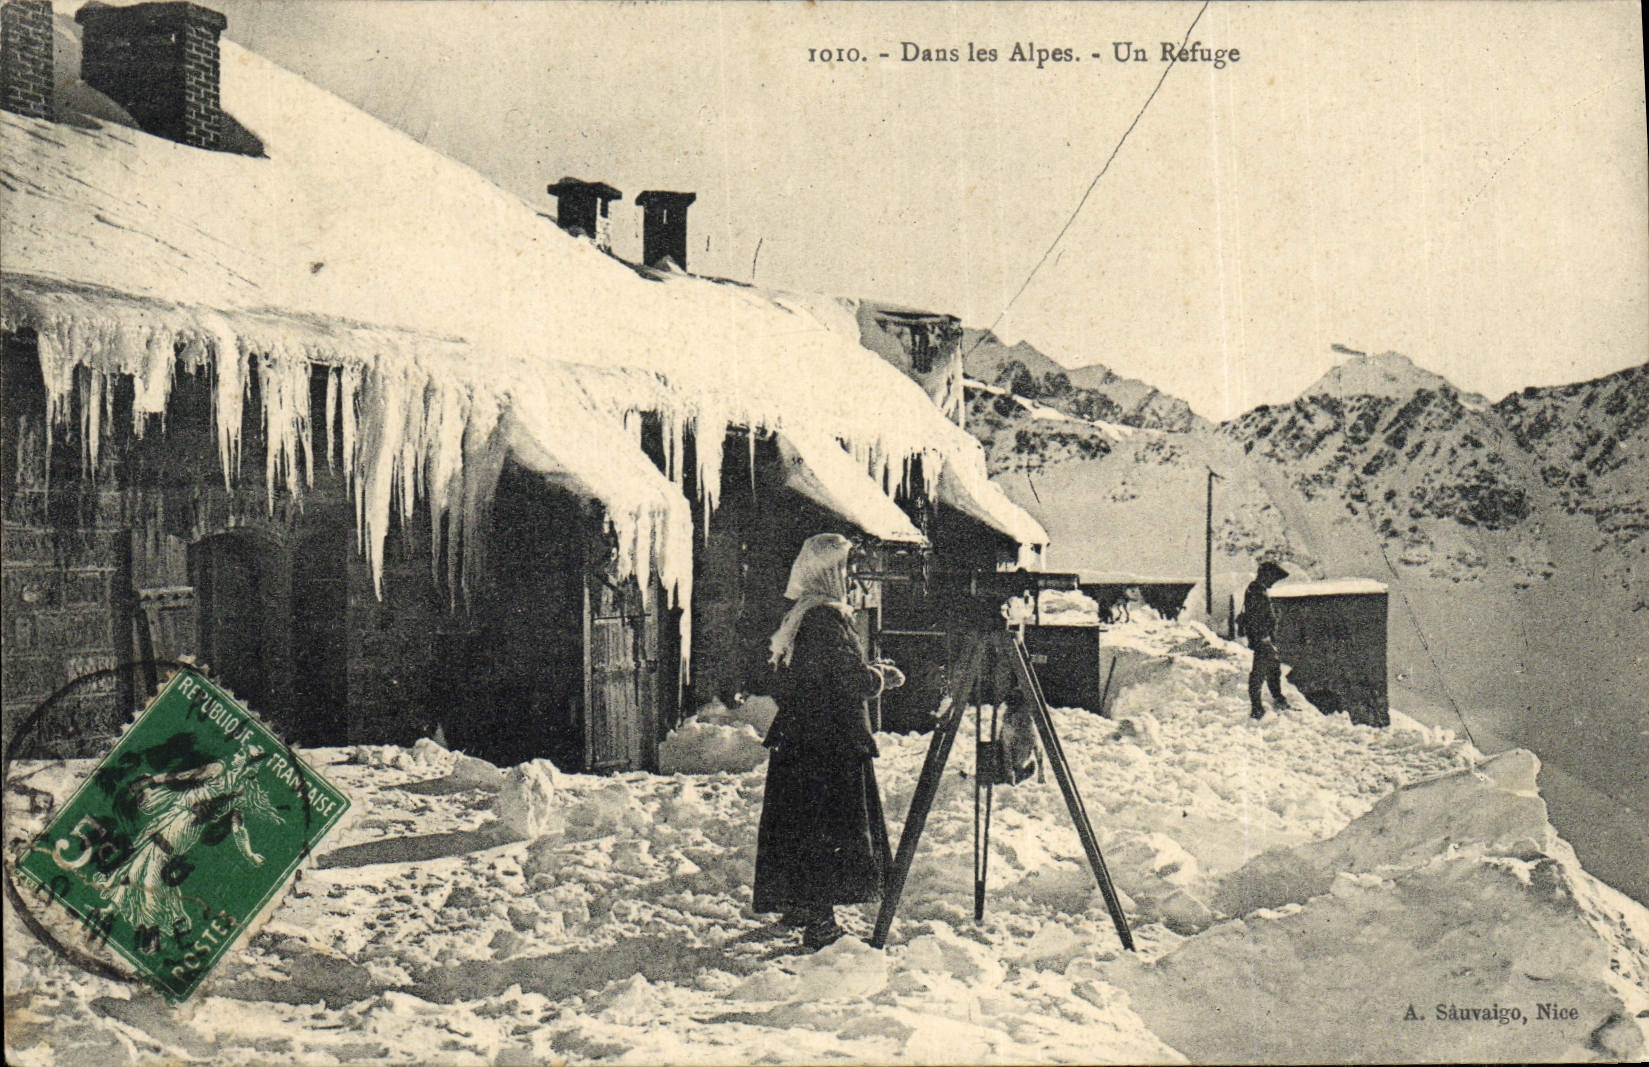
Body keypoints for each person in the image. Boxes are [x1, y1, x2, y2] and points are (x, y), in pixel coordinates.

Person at [752, 533, 903, 950]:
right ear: (830, 573)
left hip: (804, 737)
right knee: (827, 828)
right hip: (828, 742)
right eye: (848, 569)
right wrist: (879, 677)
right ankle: (819, 920)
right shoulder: (826, 619)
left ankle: (802, 906)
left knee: (801, 823)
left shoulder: (802, 615)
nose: (852, 578)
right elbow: (847, 679)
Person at [1243, 560, 1292, 720]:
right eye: (1273, 578)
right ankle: (1256, 707)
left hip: (1265, 638)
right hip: (1262, 639)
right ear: (1266, 576)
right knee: (1260, 672)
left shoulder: (1258, 590)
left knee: (1273, 670)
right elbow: (1255, 617)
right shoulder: (1256, 591)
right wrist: (1263, 637)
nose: (1274, 582)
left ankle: (1278, 699)